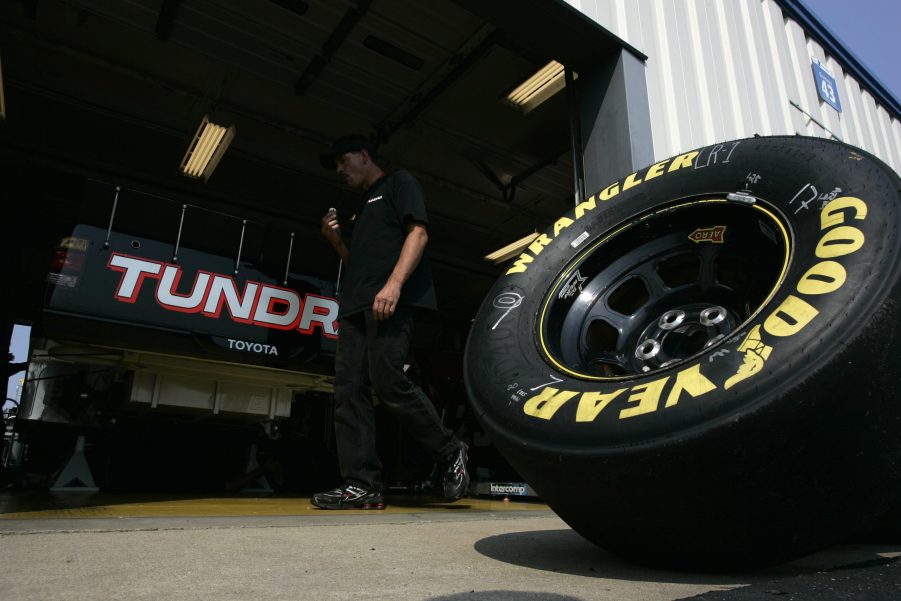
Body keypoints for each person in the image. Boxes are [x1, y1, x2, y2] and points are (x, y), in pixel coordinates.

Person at [311, 134, 469, 510]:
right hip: (355, 305)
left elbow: (419, 233)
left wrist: (395, 286)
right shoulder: (358, 208)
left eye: (342, 160)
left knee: (388, 379)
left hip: (389, 301)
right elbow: (360, 266)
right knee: (348, 390)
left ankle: (451, 451)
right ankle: (362, 483)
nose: (339, 169)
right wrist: (335, 243)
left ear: (364, 156)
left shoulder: (399, 183)